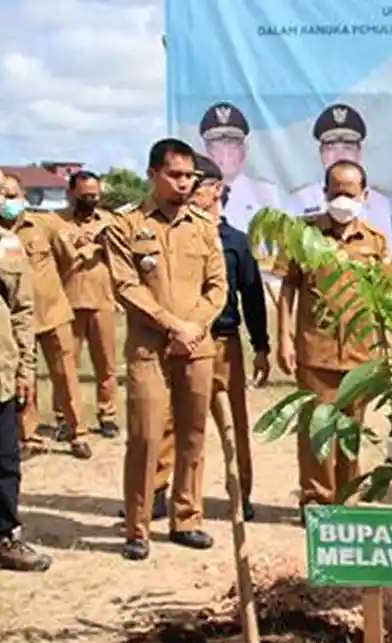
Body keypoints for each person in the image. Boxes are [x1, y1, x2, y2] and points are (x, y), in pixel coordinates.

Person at [104, 138, 228, 561]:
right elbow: (125, 286)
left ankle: (186, 519)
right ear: (153, 174)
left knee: (193, 435)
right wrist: (172, 325)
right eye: (175, 175)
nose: (184, 183)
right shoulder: (126, 225)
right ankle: (137, 527)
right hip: (150, 349)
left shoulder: (203, 225)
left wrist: (193, 327)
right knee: (145, 436)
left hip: (196, 346)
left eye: (190, 176)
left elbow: (217, 287)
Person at [140, 155, 272, 524]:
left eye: (196, 185)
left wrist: (261, 347)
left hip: (223, 343)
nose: (187, 190)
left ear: (215, 190)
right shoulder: (167, 234)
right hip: (179, 341)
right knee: (168, 420)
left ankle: (241, 494)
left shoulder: (235, 242)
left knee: (233, 423)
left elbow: (252, 297)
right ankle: (156, 492)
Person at [276, 159, 391, 517]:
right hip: (316, 352)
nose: (343, 199)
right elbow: (287, 289)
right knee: (317, 431)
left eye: (350, 193)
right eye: (336, 191)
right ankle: (316, 501)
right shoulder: (303, 235)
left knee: (351, 432)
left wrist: (386, 350)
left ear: (364, 195)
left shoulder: (375, 241)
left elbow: (384, 301)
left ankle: (347, 499)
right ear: (325, 192)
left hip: (360, 356)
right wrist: (284, 339)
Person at [0, 157, 53, 599]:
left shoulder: (8, 247)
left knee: (4, 466)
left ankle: (3, 539)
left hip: (2, 379)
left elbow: (24, 312)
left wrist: (25, 369)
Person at [0, 175, 91, 460]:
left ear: (23, 196)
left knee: (66, 376)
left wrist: (51, 289)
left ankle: (78, 433)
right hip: (15, 320)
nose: (7, 201)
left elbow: (68, 260)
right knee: (24, 378)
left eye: (12, 195)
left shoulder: (44, 224)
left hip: (53, 314)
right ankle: (30, 436)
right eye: (2, 195)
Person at [50, 171, 119, 438]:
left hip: (102, 301)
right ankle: (65, 418)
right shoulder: (56, 223)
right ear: (71, 193)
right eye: (85, 195)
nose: (91, 200)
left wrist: (104, 244)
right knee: (65, 366)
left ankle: (108, 415)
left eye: (95, 195)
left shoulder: (109, 222)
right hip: (68, 303)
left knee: (107, 365)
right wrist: (81, 248)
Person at [286, 104, 392, 250]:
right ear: (321, 153)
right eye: (331, 148)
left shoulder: (378, 203)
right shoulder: (300, 201)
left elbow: (387, 256)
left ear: (359, 153)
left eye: (348, 148)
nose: (340, 155)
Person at [199, 102, 283, 236]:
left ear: (244, 149)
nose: (225, 154)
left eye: (232, 145)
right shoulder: (191, 195)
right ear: (206, 150)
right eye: (217, 146)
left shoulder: (267, 194)